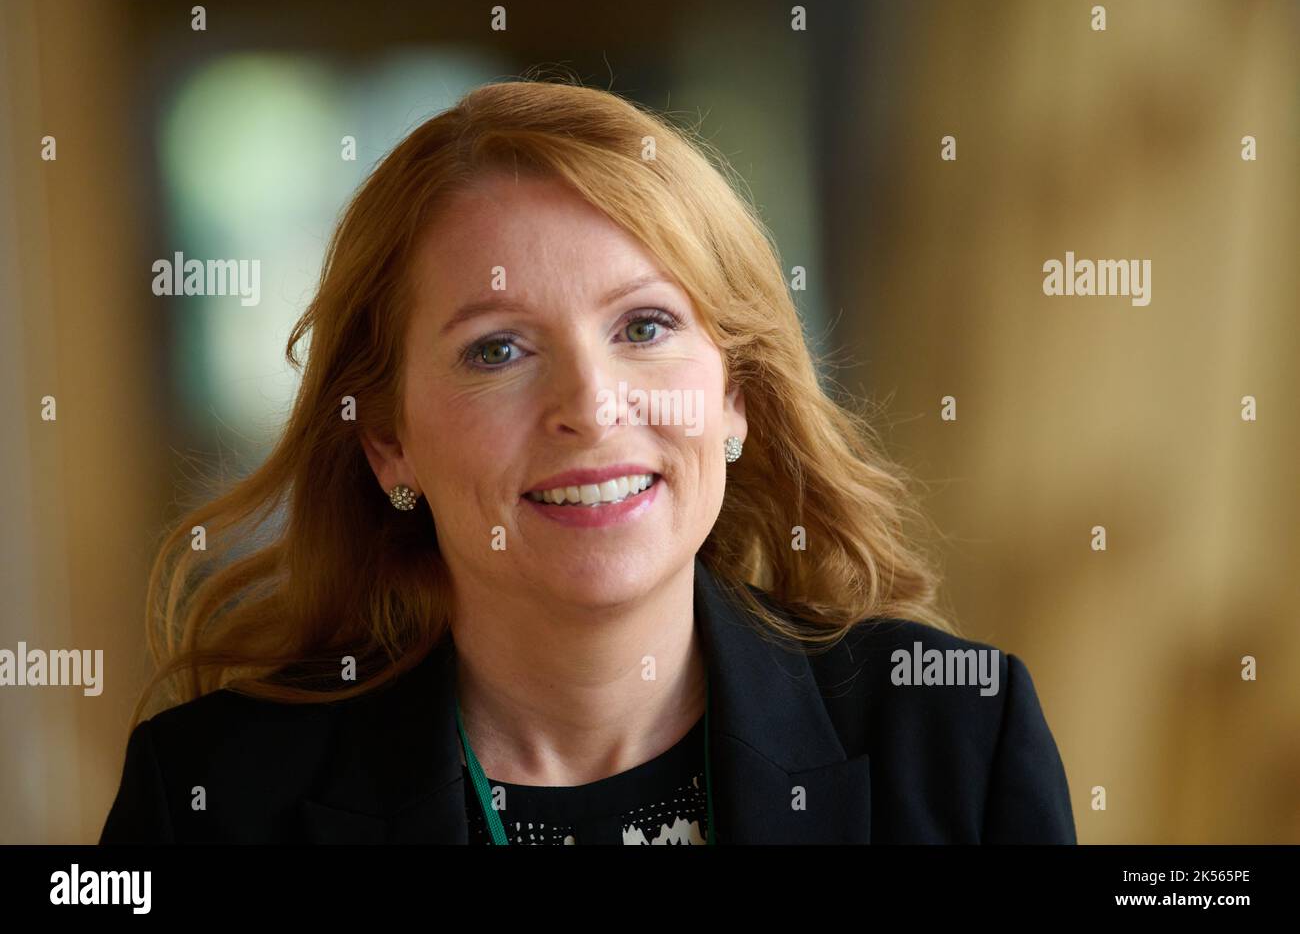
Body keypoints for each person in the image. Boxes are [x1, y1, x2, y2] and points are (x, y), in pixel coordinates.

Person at [100, 79, 1075, 844]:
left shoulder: (954, 741)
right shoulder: (212, 801)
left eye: (643, 325)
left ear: (733, 394)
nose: (592, 406)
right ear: (387, 441)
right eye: (496, 348)